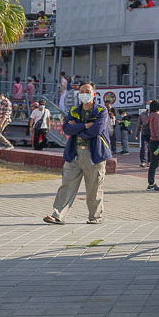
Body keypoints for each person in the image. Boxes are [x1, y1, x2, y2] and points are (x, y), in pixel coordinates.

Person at [43, 81, 110, 225]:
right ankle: (58, 215)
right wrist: (85, 126)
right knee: (67, 185)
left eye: (88, 91)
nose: (85, 94)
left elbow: (97, 130)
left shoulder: (101, 111)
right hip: (74, 153)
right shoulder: (74, 110)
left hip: (94, 155)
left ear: (94, 94)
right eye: (82, 92)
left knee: (94, 187)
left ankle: (94, 216)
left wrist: (78, 129)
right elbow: (67, 129)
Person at [146, 100, 159, 191]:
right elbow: (157, 130)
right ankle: (151, 184)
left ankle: (151, 183)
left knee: (153, 163)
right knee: (155, 164)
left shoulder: (151, 115)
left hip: (152, 141)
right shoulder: (157, 116)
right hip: (157, 142)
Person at [138, 103, 152, 168]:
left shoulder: (154, 114)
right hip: (144, 132)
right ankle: (143, 161)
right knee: (143, 147)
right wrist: (137, 133)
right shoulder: (142, 114)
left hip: (152, 133)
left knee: (150, 148)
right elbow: (139, 124)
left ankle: (149, 161)